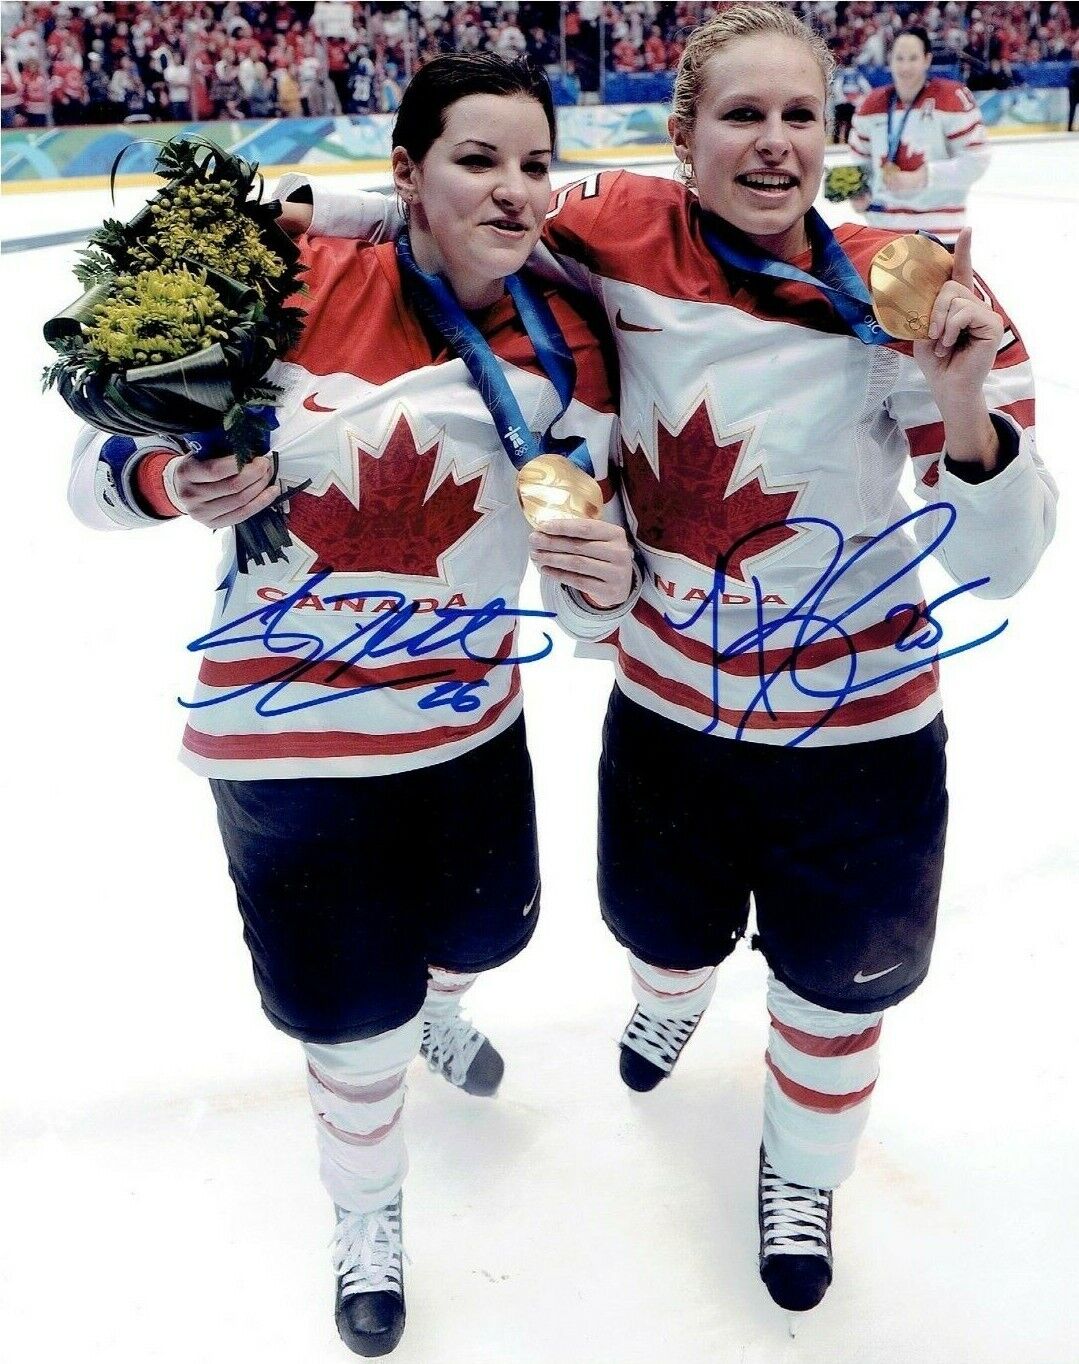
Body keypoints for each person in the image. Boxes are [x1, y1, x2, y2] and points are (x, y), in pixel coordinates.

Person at [277, 1, 1056, 1324]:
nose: (770, 146)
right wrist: (304, 215)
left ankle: (799, 1175)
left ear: (832, 132)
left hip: (855, 735)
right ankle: (668, 995)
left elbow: (995, 567)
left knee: (833, 991)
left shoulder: (906, 284)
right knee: (659, 929)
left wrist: (968, 404)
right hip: (667, 713)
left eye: (797, 117)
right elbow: (460, 208)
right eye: (739, 117)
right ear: (678, 138)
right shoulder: (612, 221)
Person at [67, 52, 634, 1358]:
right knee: (342, 1018)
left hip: (464, 729)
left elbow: (595, 598)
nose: (512, 188)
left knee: (492, 934)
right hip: (285, 740)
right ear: (405, 175)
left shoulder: (568, 345)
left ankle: (437, 994)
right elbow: (88, 479)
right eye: (475, 159)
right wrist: (167, 480)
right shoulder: (290, 287)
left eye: (532, 162)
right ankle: (367, 1213)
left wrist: (603, 591)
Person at [848, 25, 989, 243]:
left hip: (939, 233)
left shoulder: (953, 98)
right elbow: (860, 161)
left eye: (913, 58)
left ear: (927, 59)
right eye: (899, 58)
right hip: (882, 233)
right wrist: (859, 192)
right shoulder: (870, 105)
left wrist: (922, 177)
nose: (905, 66)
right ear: (890, 59)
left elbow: (976, 160)